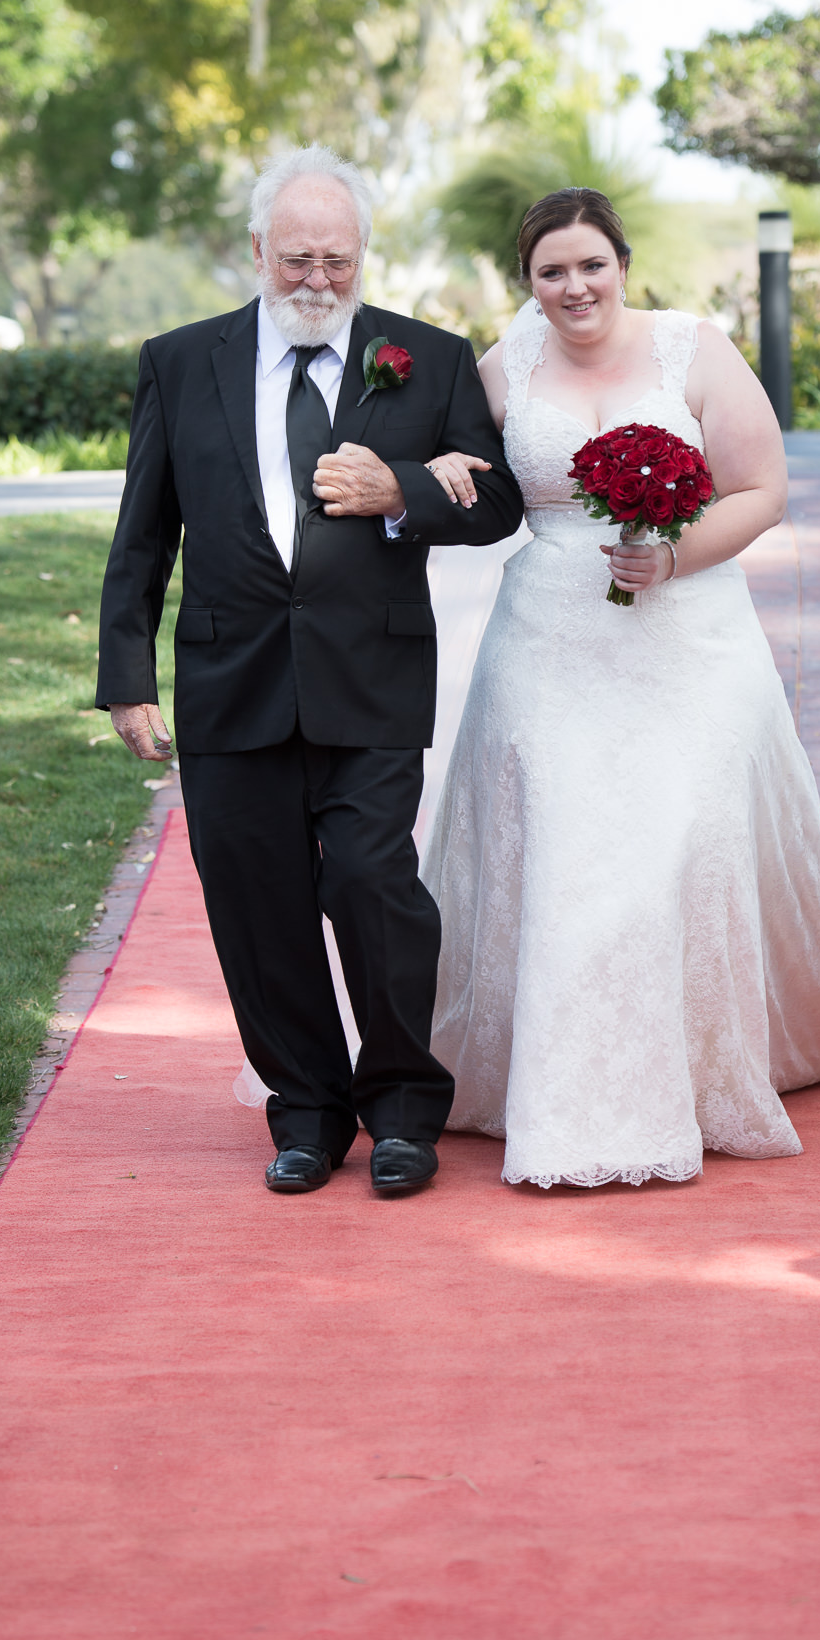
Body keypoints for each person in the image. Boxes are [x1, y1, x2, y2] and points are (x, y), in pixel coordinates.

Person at [423, 187, 820, 1189]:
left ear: (623, 263)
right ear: (527, 282)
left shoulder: (692, 349)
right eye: (551, 271)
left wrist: (672, 556)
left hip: (689, 635)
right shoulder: (500, 366)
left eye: (591, 265)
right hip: (546, 642)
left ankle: (701, 1070)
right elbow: (456, 463)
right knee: (569, 843)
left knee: (681, 833)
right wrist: (432, 459)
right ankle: (561, 1094)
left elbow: (764, 489)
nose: (575, 287)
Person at [96, 146, 524, 1197]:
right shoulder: (181, 359)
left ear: (364, 255)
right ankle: (307, 1111)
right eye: (296, 258)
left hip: (369, 679)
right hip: (228, 679)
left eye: (337, 258)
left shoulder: (427, 357)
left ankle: (404, 1108)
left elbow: (499, 498)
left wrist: (405, 494)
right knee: (256, 898)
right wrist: (126, 674)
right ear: (257, 251)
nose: (317, 279)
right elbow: (143, 529)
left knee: (374, 882)